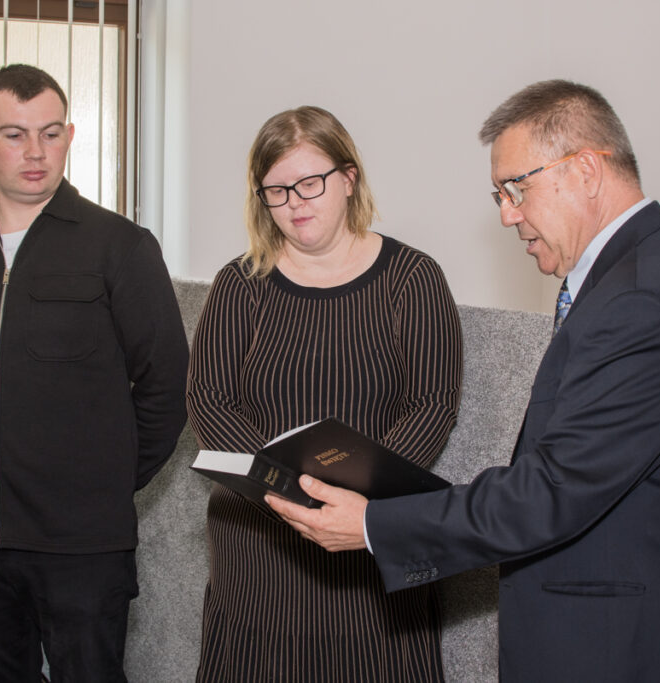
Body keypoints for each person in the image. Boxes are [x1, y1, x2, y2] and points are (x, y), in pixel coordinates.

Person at [268, 80, 660, 682]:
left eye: (517, 188)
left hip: (628, 645)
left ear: (585, 171)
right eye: (499, 194)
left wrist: (373, 524)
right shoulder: (637, 274)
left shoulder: (640, 301)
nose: (507, 214)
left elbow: (552, 490)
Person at [0, 64, 188, 682]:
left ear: (69, 136)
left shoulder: (120, 246)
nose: (36, 152)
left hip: (82, 547)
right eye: (14, 134)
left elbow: (166, 387)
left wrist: (104, 481)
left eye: (51, 134)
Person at [187, 105, 463, 681]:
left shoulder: (413, 279)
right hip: (260, 546)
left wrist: (354, 504)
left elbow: (431, 405)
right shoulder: (240, 283)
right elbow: (209, 400)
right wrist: (287, 493)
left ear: (349, 178)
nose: (295, 202)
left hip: (370, 539)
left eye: (310, 182)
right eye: (277, 190)